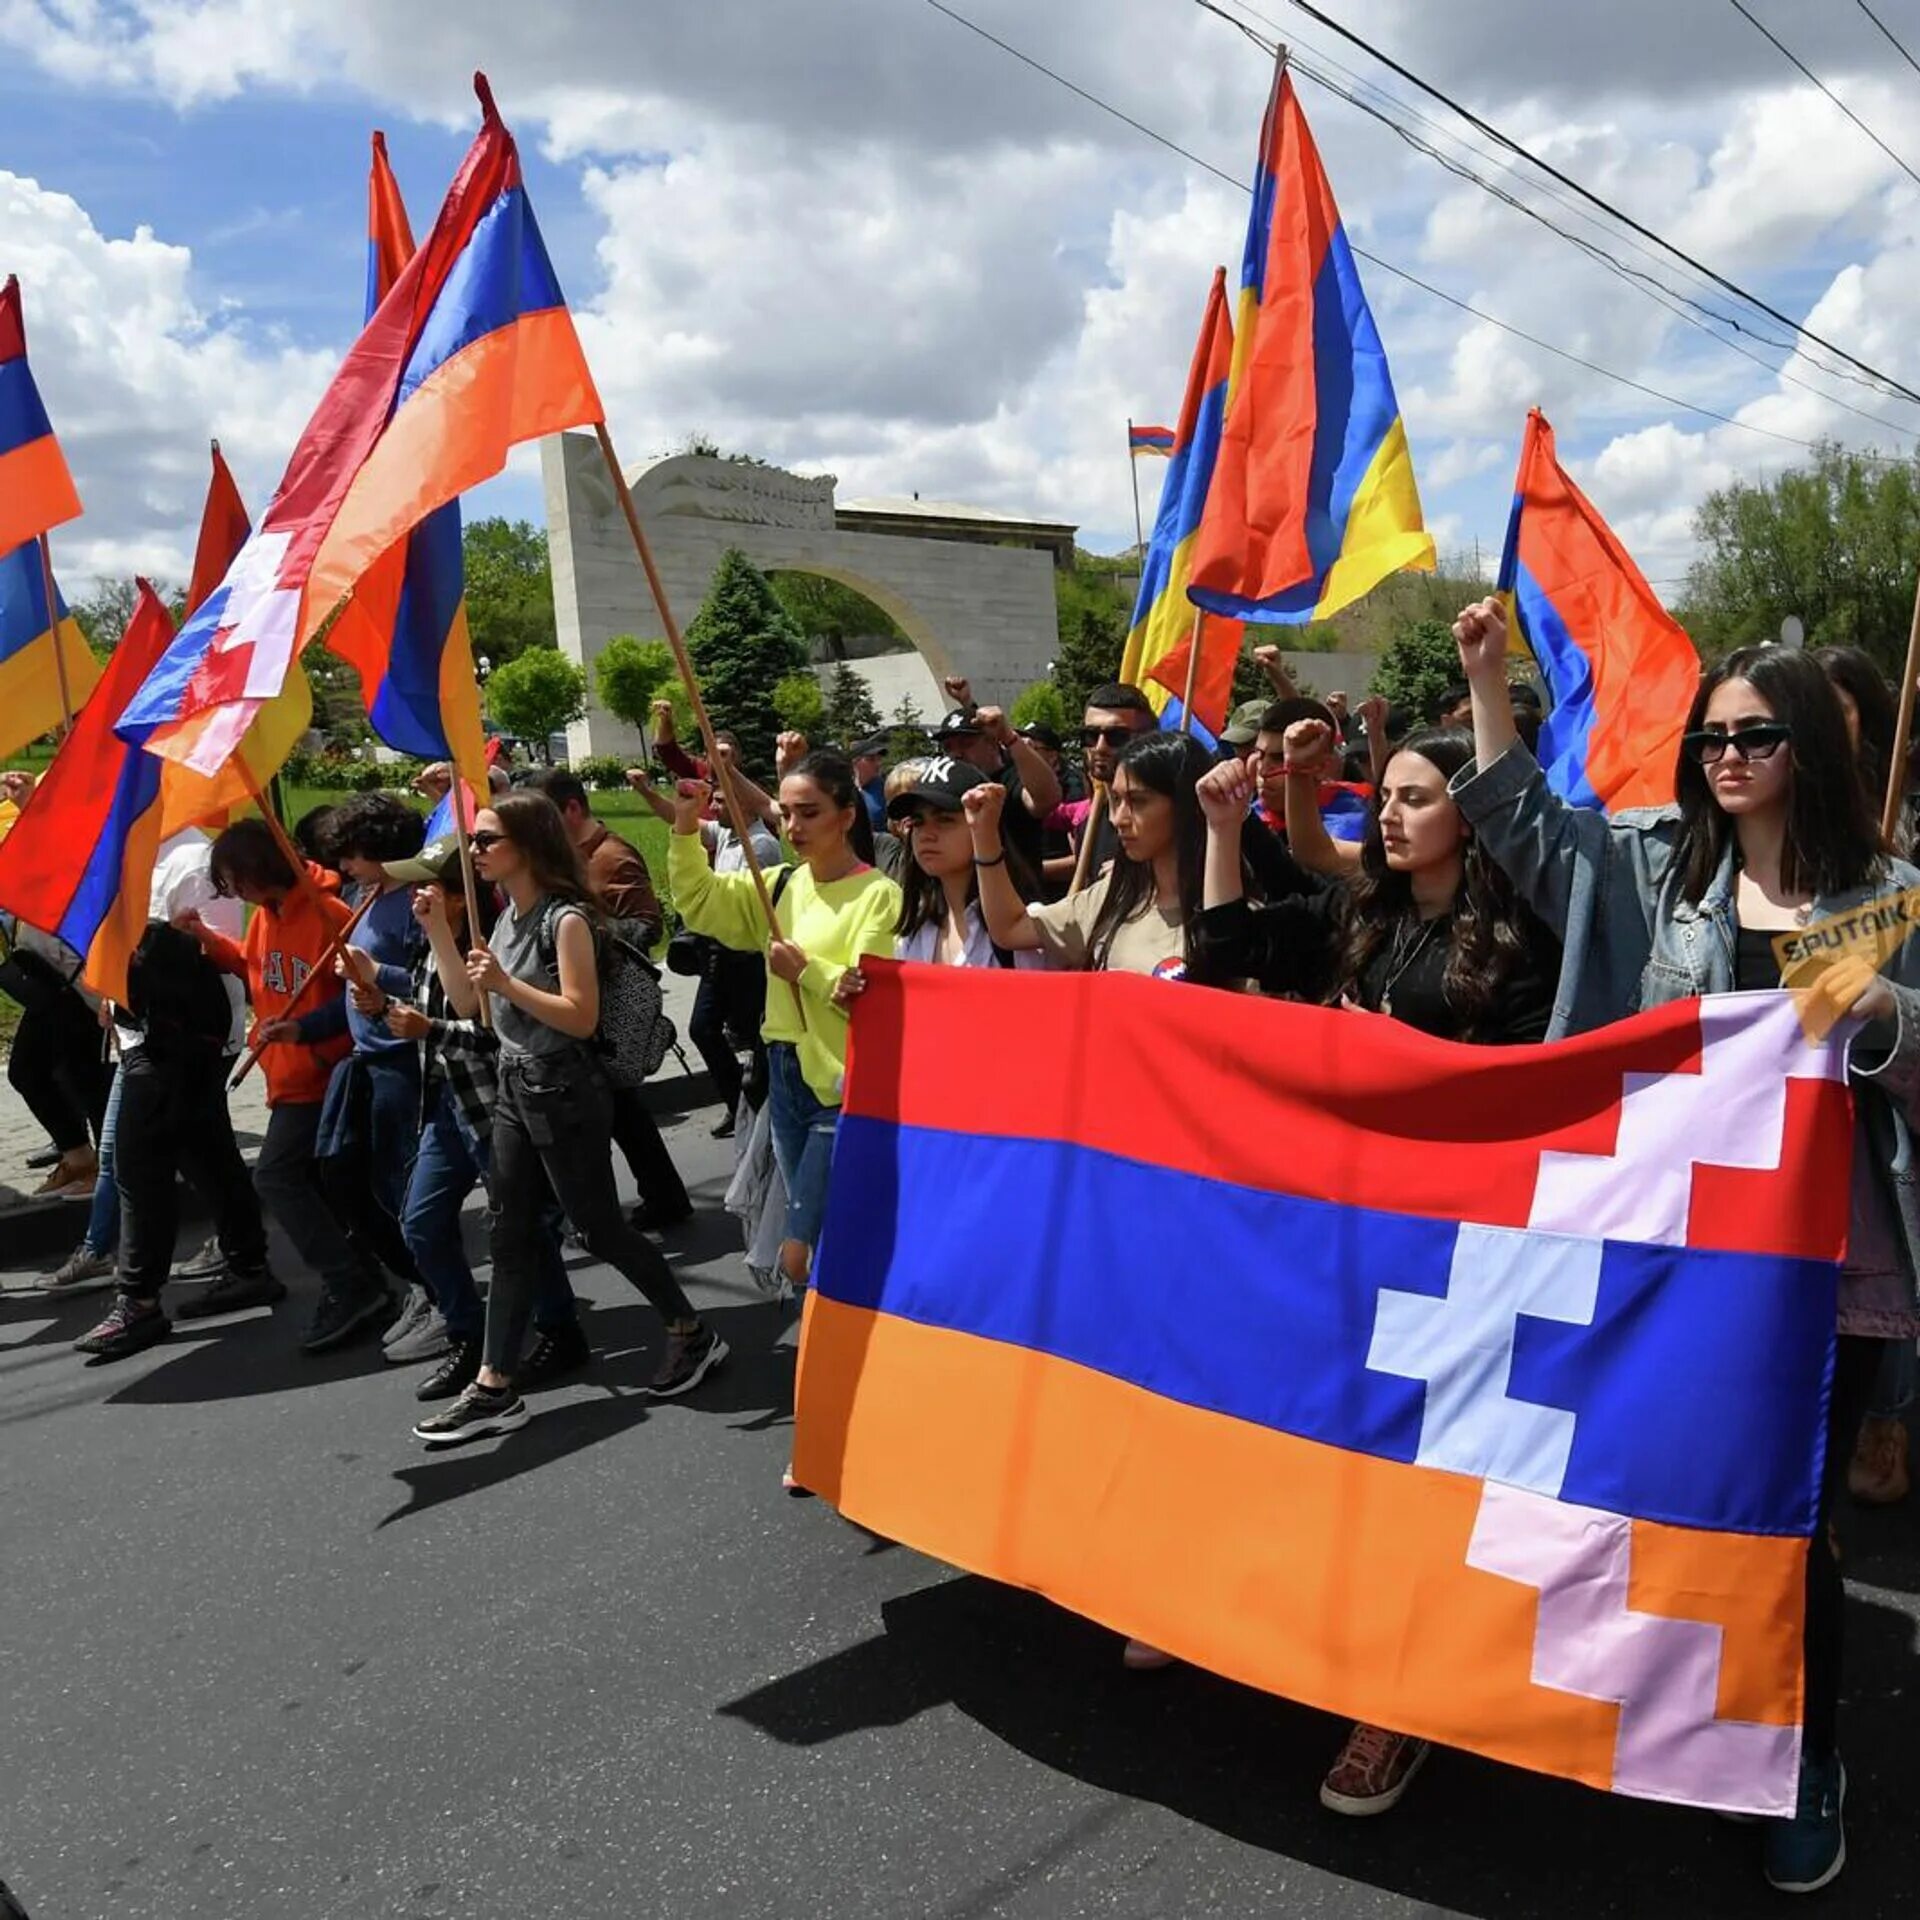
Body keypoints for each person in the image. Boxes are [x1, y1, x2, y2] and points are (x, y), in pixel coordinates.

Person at [1449, 596, 1920, 1895]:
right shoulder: (1665, 871)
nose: (1729, 757)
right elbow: (1528, 831)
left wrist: (1884, 1014)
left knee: (1790, 1533)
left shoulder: (1890, 896)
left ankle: (1801, 1762)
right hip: (1669, 1269)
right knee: (1681, 1509)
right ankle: (1683, 1725)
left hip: (1834, 1282)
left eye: (1759, 735)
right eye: (1714, 736)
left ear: (1810, 752)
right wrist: (1490, 679)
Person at [413, 793, 726, 1446]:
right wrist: (439, 933)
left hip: (565, 1091)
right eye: (475, 841)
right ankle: (495, 1384)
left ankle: (691, 1332)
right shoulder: (502, 919)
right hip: (514, 1089)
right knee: (509, 1233)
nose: (475, 852)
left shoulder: (567, 920)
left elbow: (580, 1017)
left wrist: (506, 984)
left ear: (528, 844)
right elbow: (473, 1005)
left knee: (597, 1229)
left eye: (487, 840)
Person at [352, 836, 585, 1400]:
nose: (413, 896)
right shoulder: (432, 940)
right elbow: (428, 991)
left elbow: (490, 1033)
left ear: (458, 898)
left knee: (520, 1226)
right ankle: (467, 1333)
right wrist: (378, 980)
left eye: (424, 886)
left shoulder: (490, 946)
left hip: (490, 1107)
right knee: (420, 1222)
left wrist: (424, 1028)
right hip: (446, 1105)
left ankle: (559, 1329)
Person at [669, 749, 900, 1295]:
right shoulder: (778, 885)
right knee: (823, 1239)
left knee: (799, 1250)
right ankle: (833, 1344)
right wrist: (683, 827)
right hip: (783, 1074)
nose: (794, 826)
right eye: (788, 813)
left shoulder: (879, 895)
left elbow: (870, 997)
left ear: (847, 816)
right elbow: (700, 903)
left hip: (841, 1087)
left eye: (810, 812)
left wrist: (807, 972)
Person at [186, 820, 368, 1333]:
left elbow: (356, 1003)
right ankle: (364, 1268)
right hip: (283, 1074)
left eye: (237, 878)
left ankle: (348, 1280)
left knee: (276, 1175)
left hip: (320, 1076)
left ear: (263, 865)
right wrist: (207, 938)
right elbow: (256, 967)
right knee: (327, 1185)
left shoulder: (330, 915)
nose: (235, 891)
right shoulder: (266, 915)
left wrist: (307, 1038)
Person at [71, 914, 277, 1361]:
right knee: (209, 1157)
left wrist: (114, 994)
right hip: (188, 1046)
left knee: (141, 1177)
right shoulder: (134, 904)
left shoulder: (129, 910)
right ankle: (249, 1264)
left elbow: (151, 978)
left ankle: (140, 1302)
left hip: (162, 1050)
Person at [523, 767, 692, 1229]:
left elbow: (647, 926)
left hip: (603, 1007)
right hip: (581, 1005)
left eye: (545, 818)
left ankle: (620, 1212)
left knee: (614, 1111)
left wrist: (583, 935)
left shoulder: (611, 858)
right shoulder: (562, 859)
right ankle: (661, 1196)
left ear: (573, 809)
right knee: (621, 1113)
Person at [314, 794, 427, 1350]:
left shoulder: (419, 903)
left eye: (354, 855)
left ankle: (437, 1292)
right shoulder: (365, 897)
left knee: (398, 1186)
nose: (344, 868)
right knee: (342, 1177)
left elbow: (438, 986)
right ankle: (416, 1283)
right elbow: (356, 994)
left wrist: (378, 973)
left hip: (404, 1063)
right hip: (365, 1061)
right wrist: (304, 1028)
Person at [969, 728, 1213, 982]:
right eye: (1116, 799)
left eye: (1138, 801)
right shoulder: (1112, 896)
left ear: (1186, 804)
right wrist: (984, 834)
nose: (1118, 818)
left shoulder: (1231, 917)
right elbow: (1009, 929)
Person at [934, 676, 1061, 881]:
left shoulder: (1010, 780)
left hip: (1017, 902)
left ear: (993, 744)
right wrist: (967, 703)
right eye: (948, 747)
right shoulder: (949, 789)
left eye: (966, 743)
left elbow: (1046, 799)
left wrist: (1009, 736)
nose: (956, 754)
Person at [1044, 682, 1158, 890]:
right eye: (1091, 735)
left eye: (1116, 736)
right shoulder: (1090, 823)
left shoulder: (1165, 816)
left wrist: (1144, 872)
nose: (1100, 747)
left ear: (1147, 738)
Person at [850, 731, 891, 834]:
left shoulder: (885, 788)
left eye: (879, 759)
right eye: (871, 759)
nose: (878, 764)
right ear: (855, 761)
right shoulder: (842, 787)